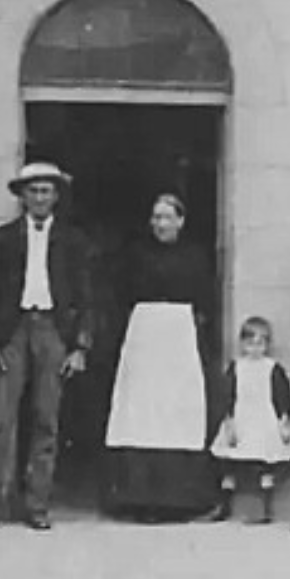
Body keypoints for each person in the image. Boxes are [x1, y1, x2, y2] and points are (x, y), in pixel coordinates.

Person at [0, 161, 96, 534]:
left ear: (56, 196)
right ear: (22, 196)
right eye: (33, 191)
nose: (39, 197)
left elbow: (86, 296)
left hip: (53, 330)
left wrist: (80, 346)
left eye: (46, 191)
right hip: (13, 331)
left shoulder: (72, 240)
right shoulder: (4, 238)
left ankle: (37, 505)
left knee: (46, 420)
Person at [100, 193, 219, 522]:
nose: (161, 224)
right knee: (142, 410)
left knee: (177, 410)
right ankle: (138, 498)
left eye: (168, 217)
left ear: (181, 221)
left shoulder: (195, 256)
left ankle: (180, 500)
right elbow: (119, 293)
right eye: (156, 218)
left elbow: (205, 299)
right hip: (144, 334)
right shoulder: (135, 254)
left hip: (180, 335)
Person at [205, 315, 290, 524]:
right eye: (250, 343)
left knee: (264, 464)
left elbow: (283, 397)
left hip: (264, 419)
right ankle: (224, 504)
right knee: (227, 461)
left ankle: (264, 509)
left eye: (260, 343)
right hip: (241, 418)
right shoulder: (236, 367)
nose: (255, 349)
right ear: (242, 344)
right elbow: (227, 396)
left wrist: (284, 421)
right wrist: (229, 422)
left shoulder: (272, 368)